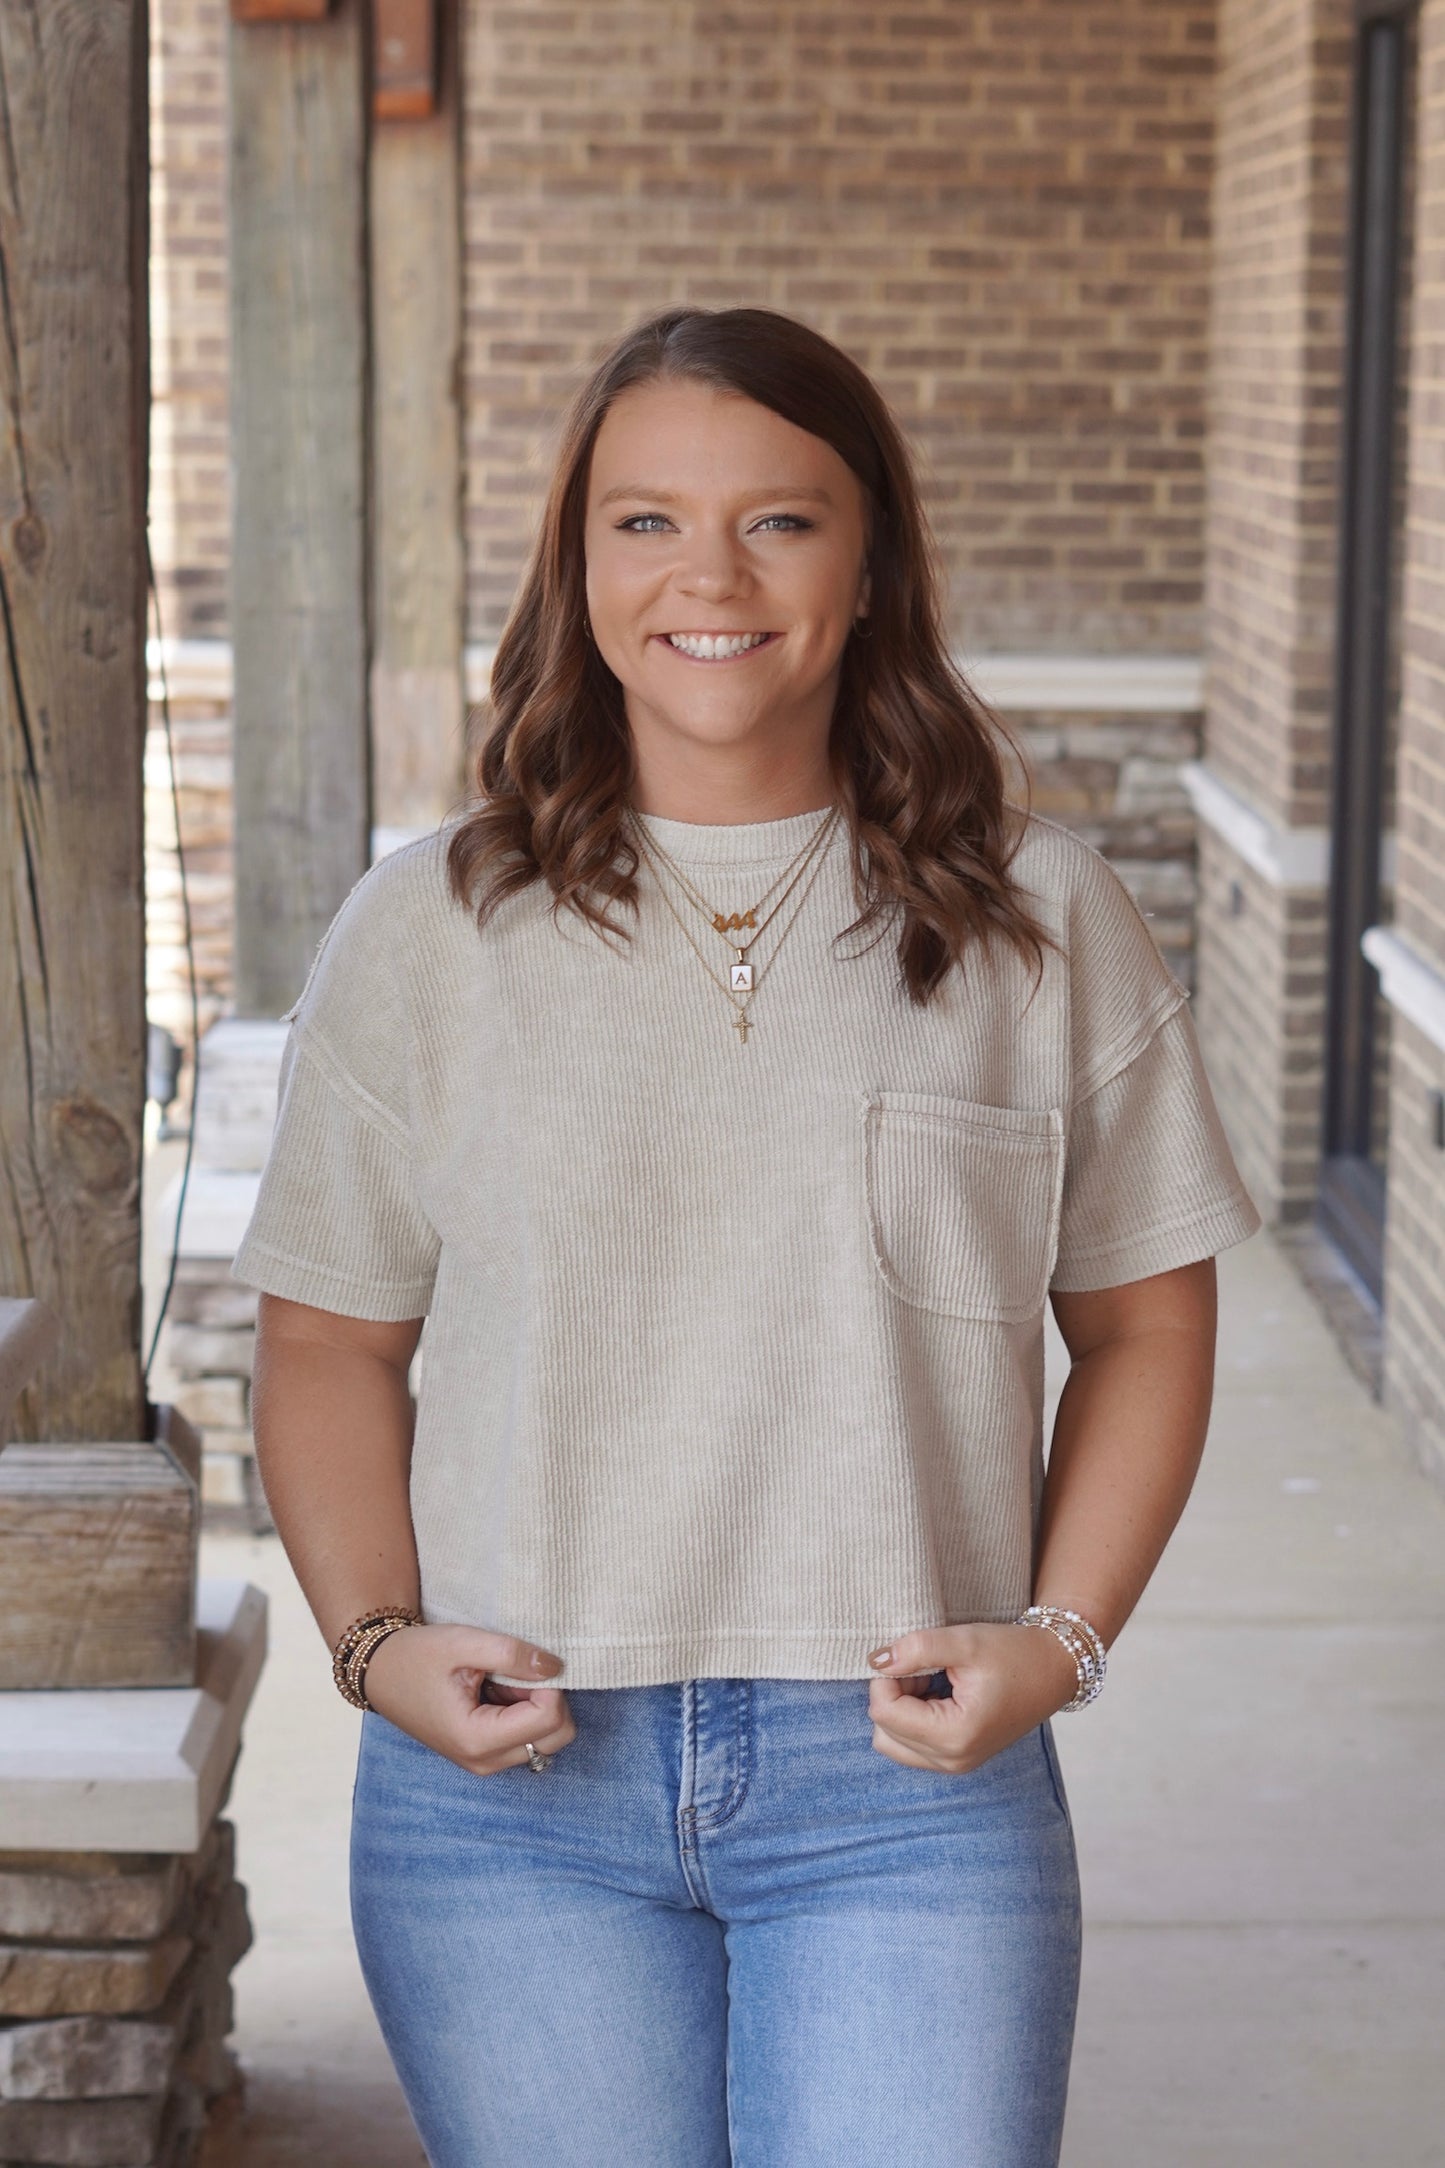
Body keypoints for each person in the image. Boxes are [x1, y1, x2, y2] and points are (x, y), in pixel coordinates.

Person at [234, 305, 1260, 2167]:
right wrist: (373, 1640)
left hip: (903, 1790)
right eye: (643, 522)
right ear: (577, 566)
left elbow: (1146, 1326)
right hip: (508, 1796)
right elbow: (326, 1342)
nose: (707, 573)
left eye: (779, 521)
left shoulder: (1033, 915)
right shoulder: (430, 928)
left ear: (868, 566)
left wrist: (1060, 1642)